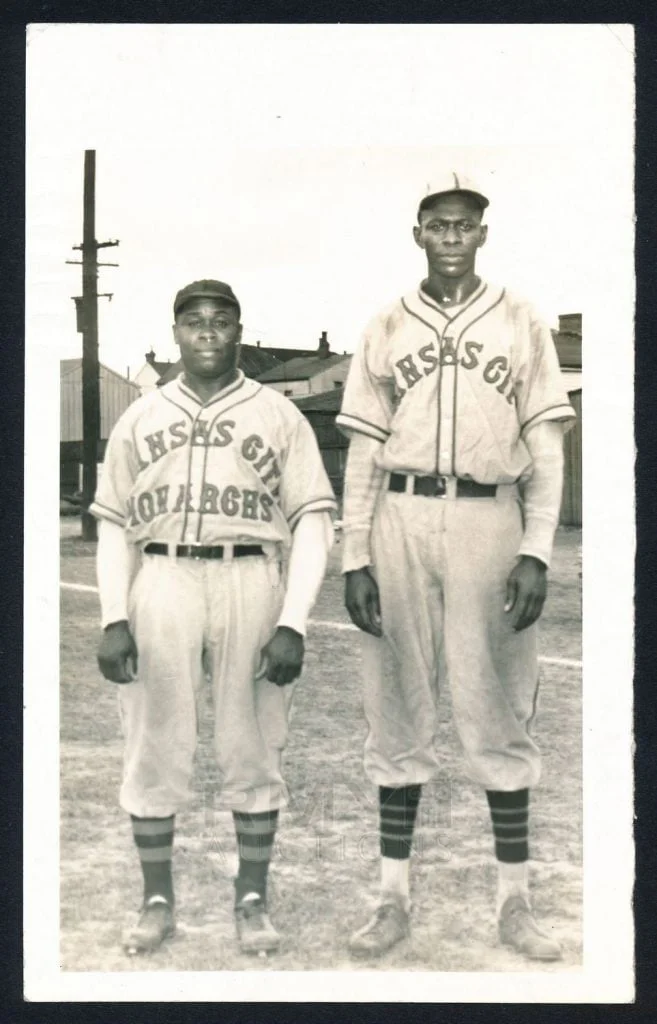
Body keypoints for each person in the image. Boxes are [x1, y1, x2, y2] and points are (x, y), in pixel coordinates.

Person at [336, 173, 576, 961]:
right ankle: (391, 899)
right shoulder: (384, 324)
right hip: (399, 516)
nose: (449, 235)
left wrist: (536, 548)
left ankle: (514, 903)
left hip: (487, 516)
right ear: (417, 234)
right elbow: (364, 451)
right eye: (436, 223)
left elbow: (544, 445)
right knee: (396, 706)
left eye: (462, 224)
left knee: (495, 708)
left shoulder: (520, 319)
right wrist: (355, 553)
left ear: (481, 234)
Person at [92, 279, 336, 956]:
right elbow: (113, 525)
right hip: (162, 575)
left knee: (251, 742)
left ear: (237, 330)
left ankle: (251, 899)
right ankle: (156, 900)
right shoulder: (140, 416)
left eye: (220, 320)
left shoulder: (277, 414)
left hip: (249, 574)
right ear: (175, 332)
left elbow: (313, 519)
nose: (207, 331)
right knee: (153, 740)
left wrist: (293, 621)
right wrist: (115, 614)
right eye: (194, 321)